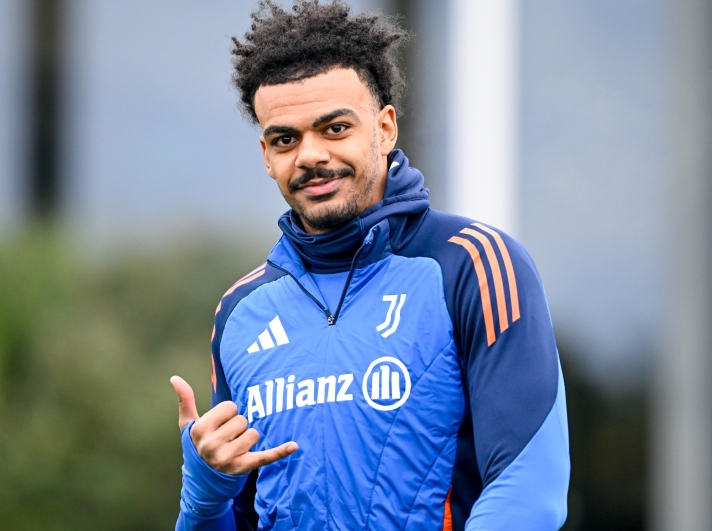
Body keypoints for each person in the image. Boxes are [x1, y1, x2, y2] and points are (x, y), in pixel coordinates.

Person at [169, 1, 570, 529]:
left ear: (385, 129)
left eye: (334, 128)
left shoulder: (475, 265)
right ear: (266, 156)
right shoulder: (241, 312)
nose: (309, 155)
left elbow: (528, 493)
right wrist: (205, 499)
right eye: (286, 138)